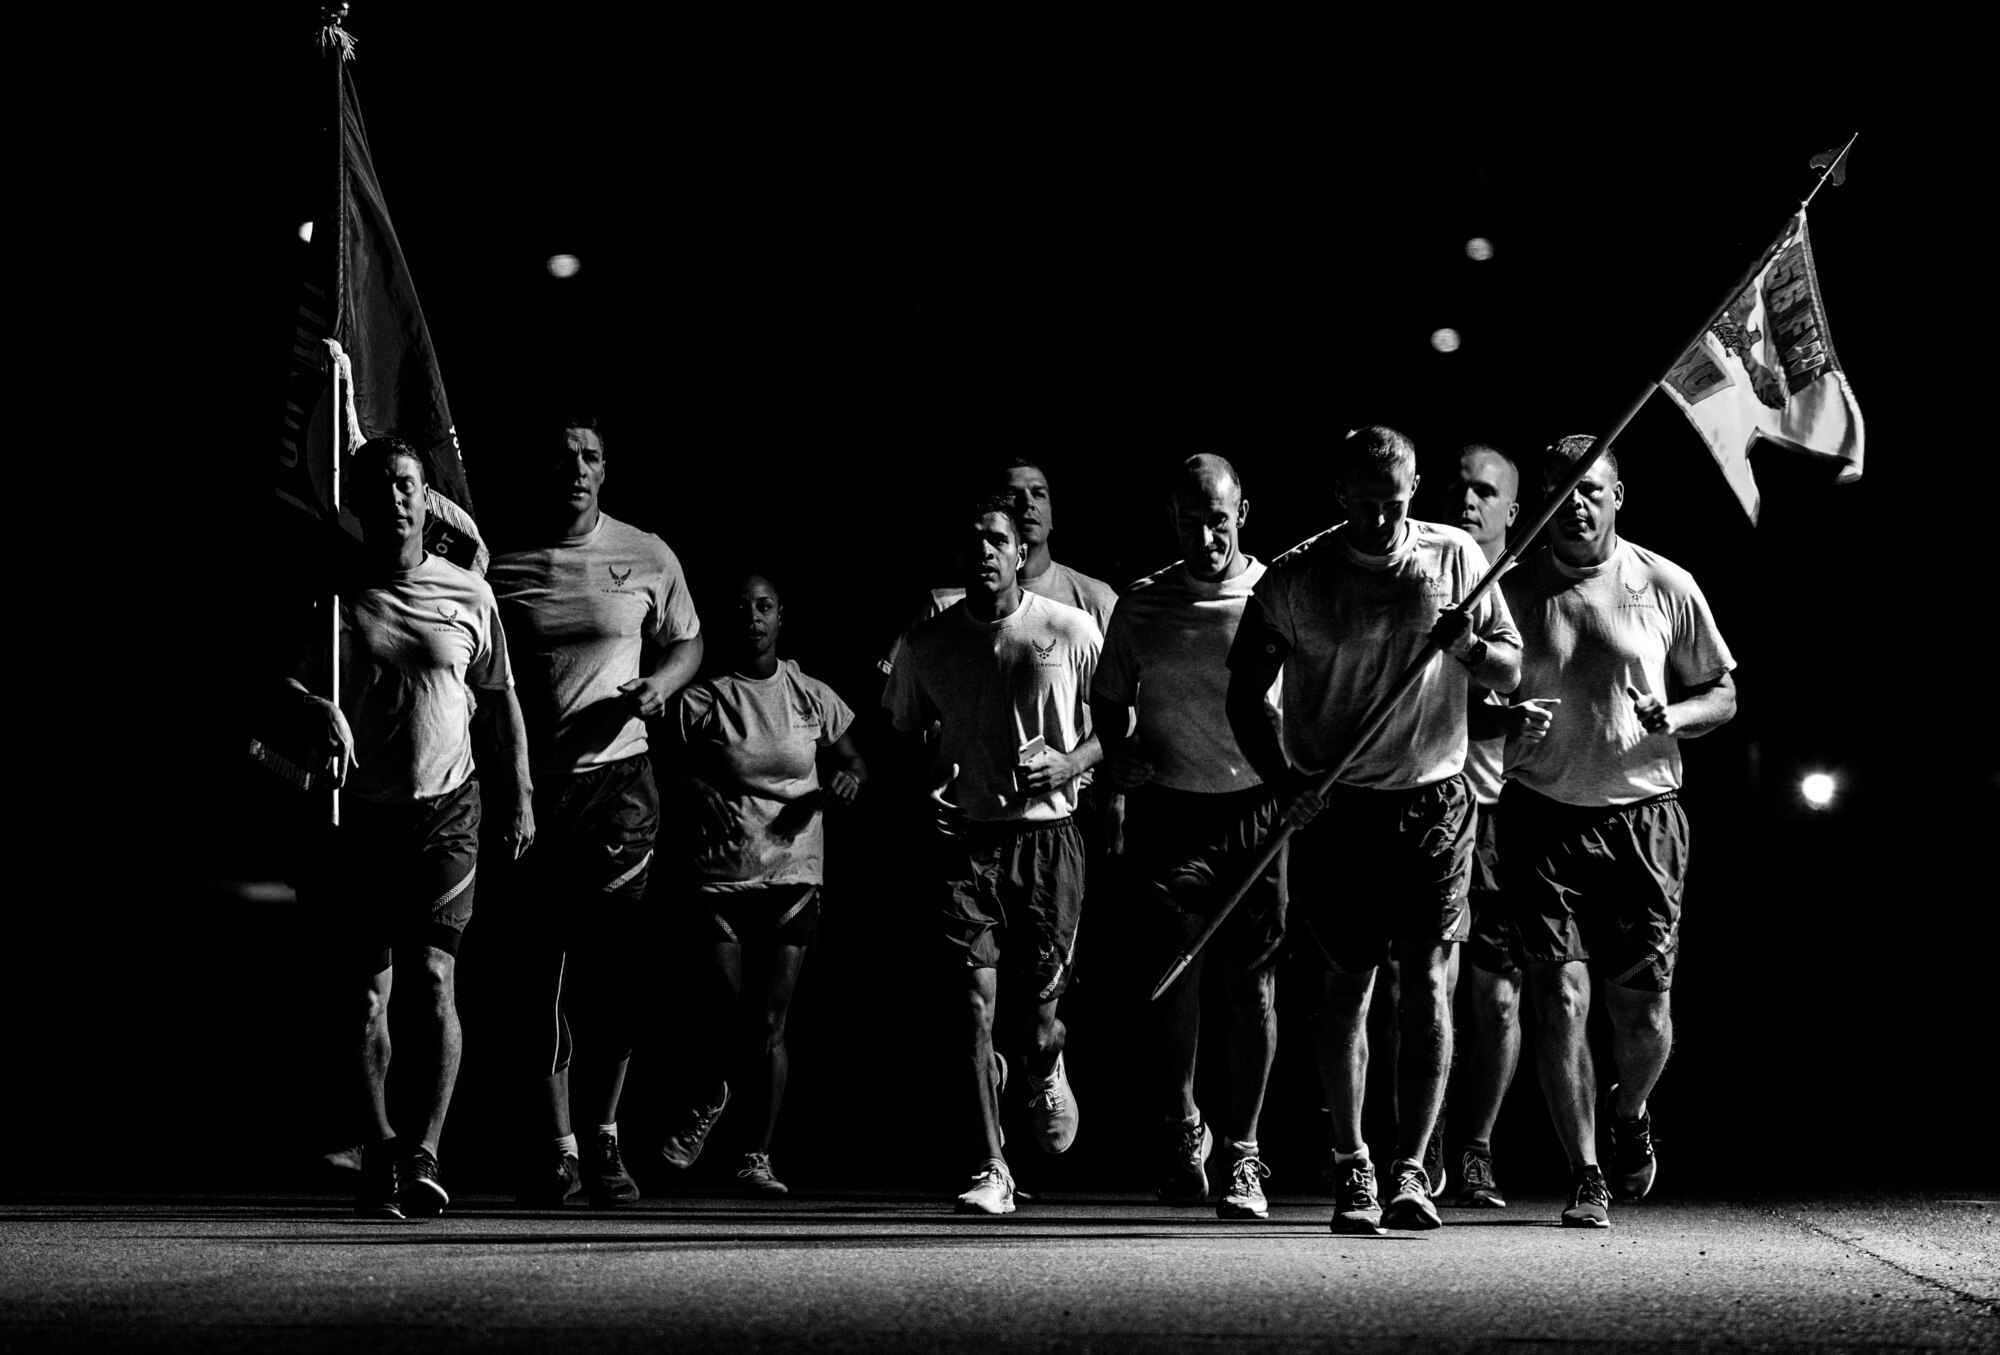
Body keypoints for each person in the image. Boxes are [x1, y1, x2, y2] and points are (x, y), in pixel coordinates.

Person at [1224, 426, 1521, 1236]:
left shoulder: (1458, 557)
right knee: (1346, 990)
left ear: (1414, 489)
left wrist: (1467, 643)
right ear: (1340, 495)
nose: (1383, 522)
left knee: (1428, 984)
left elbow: (1508, 665)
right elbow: (1244, 690)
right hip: (1339, 803)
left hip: (1433, 801)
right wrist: (1286, 781)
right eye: (1366, 505)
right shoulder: (1297, 576)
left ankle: (1412, 1169)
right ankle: (1353, 1161)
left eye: (1395, 504)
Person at [287, 435, 535, 1220]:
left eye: (406, 485)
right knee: (366, 996)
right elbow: (280, 677)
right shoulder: (334, 593)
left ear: (426, 499)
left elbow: (497, 699)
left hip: (447, 810)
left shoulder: (467, 592)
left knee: (433, 978)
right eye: (379, 486)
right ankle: (382, 1148)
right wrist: (313, 707)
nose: (395, 498)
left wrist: (520, 791)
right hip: (363, 813)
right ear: (356, 500)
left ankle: (427, 1149)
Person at [1499, 435, 1737, 1229]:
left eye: (1590, 490)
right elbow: (1457, 693)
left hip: (1644, 814)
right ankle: (1585, 1169)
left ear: (1617, 497)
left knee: (1644, 1012)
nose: (1574, 504)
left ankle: (1630, 1108)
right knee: (1558, 995)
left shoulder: (1663, 582)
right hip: (1543, 813)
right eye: (1559, 489)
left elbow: (1724, 694)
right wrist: (1498, 720)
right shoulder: (1509, 586)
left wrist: (1681, 713)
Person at [486, 417, 704, 1208]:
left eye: (589, 456)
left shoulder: (647, 551)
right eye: (563, 456)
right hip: (536, 793)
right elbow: (485, 674)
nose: (576, 468)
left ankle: (607, 1139)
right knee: (539, 975)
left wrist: (663, 685)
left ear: (606, 468)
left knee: (611, 975)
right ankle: (558, 1149)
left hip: (621, 789)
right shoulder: (503, 563)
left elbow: (688, 642)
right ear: (544, 470)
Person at [887, 493, 1103, 1215]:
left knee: (1035, 1020)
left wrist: (1073, 764)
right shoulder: (928, 644)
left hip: (1049, 840)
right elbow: (907, 735)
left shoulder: (1069, 628)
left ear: (1020, 553)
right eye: (972, 539)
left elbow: (1125, 727)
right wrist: (931, 787)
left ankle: (1044, 1055)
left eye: (997, 539)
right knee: (973, 1009)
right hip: (971, 844)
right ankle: (992, 1165)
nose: (984, 550)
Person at [1092, 455, 1286, 1220]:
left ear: (1243, 511)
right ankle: (1183, 1127)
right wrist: (1123, 753)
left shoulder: (1275, 592)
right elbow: (1108, 702)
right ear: (1172, 522)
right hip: (1173, 809)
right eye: (1189, 521)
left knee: (1254, 986)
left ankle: (1243, 1149)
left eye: (1218, 518)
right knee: (1176, 978)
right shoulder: (1142, 603)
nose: (1206, 534)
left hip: (1256, 810)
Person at [657, 573, 867, 1195]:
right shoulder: (703, 699)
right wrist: (693, 789)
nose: (753, 616)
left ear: (782, 617)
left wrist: (849, 780)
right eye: (742, 608)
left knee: (770, 1023)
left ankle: (756, 1154)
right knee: (723, 1015)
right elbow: (658, 765)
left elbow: (854, 760)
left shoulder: (810, 694)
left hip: (792, 875)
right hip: (720, 877)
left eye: (765, 606)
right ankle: (712, 1095)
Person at [1442, 443, 1543, 1210]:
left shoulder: (1533, 593)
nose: (1470, 503)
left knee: (1499, 999)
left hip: (1510, 812)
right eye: (1461, 489)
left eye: (1487, 491)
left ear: (1514, 508)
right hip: (1434, 805)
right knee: (1424, 987)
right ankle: (1419, 1141)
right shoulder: (1424, 571)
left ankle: (1474, 1146)